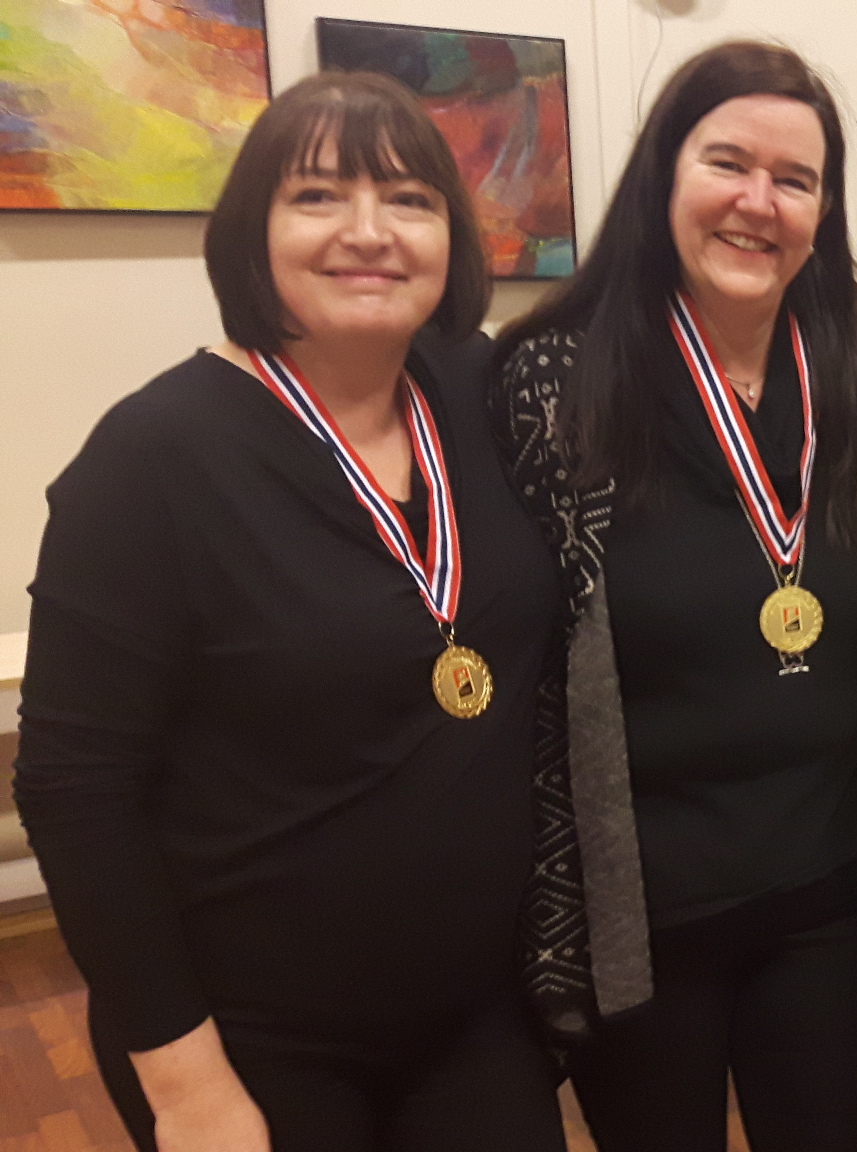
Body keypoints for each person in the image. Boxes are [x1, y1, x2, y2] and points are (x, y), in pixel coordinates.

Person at [13, 73, 565, 1152]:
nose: (369, 231)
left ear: (452, 237)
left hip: (474, 1017)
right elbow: (73, 792)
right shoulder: (150, 458)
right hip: (253, 1040)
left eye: (409, 199)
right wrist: (186, 1086)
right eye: (317, 196)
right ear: (251, 232)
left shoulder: (475, 392)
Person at [490, 40, 857, 1152]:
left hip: (836, 898)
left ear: (823, 210)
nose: (757, 202)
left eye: (795, 179)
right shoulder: (556, 380)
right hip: (643, 924)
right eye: (727, 163)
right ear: (663, 174)